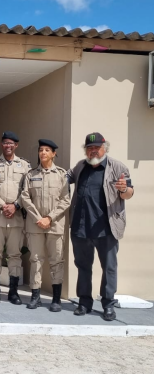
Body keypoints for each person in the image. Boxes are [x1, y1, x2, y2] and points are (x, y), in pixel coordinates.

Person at [67, 132, 134, 321]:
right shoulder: (80, 167)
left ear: (105, 148)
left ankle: (108, 305)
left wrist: (124, 189)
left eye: (96, 147)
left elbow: (129, 192)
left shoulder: (117, 167)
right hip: (81, 228)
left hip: (107, 228)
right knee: (83, 267)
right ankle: (84, 302)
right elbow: (65, 179)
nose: (93, 151)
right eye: (89, 148)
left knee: (109, 268)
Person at [20, 139, 70, 312]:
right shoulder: (30, 174)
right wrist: (38, 217)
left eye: (47, 150)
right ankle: (36, 297)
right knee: (36, 260)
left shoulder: (62, 175)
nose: (43, 153)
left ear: (54, 153)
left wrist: (49, 217)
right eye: (41, 150)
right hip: (35, 225)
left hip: (55, 224)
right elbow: (25, 198)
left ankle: (56, 299)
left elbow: (65, 200)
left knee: (56, 260)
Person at [0, 131, 31, 305]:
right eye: (5, 143)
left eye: (11, 143)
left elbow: (27, 191)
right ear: (1, 145)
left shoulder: (25, 165)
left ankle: (13, 292)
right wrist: (3, 205)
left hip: (16, 217)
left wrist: (16, 205)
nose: (8, 146)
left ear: (16, 145)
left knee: (15, 255)